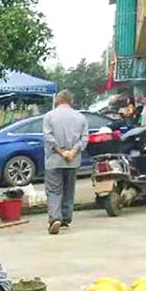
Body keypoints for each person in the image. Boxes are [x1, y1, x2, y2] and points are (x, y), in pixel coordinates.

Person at [43, 90, 89, 235]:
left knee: (54, 190)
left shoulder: (49, 116)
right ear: (71, 101)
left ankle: (55, 218)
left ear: (58, 100)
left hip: (54, 160)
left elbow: (48, 137)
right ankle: (66, 218)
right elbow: (84, 138)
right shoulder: (81, 117)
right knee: (69, 189)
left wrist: (61, 152)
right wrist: (73, 152)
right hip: (72, 160)